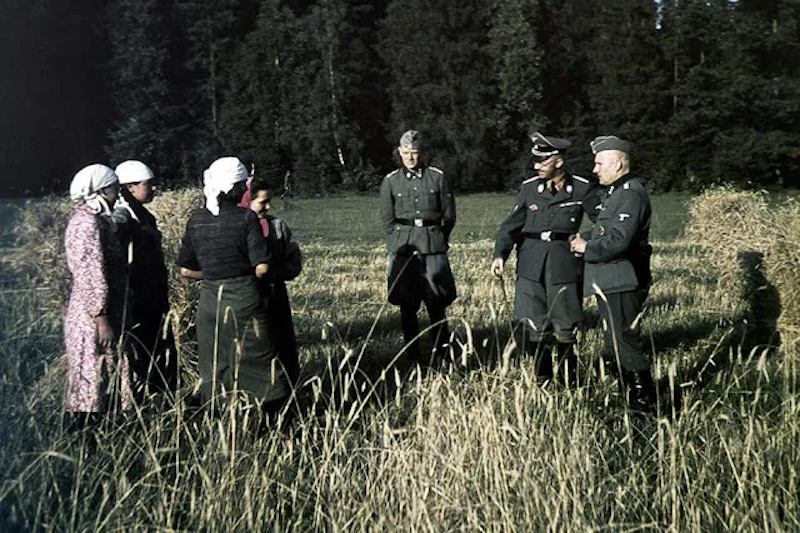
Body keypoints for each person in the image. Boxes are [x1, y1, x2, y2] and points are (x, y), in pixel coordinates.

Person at [177, 157, 289, 415]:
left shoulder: (197, 219)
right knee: (259, 362)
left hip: (209, 302)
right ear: (237, 188)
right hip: (244, 299)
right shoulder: (246, 218)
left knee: (217, 362)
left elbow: (185, 269)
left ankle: (221, 416)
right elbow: (261, 266)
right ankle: (267, 418)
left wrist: (214, 272)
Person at [491, 132, 599, 384]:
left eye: (543, 161)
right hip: (531, 263)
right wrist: (500, 254)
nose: (537, 166)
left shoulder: (582, 188)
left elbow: (603, 222)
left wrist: (584, 238)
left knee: (565, 325)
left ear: (559, 161)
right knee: (534, 324)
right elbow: (511, 226)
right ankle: (542, 378)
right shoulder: (529, 189)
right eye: (536, 161)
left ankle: (569, 381)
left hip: (564, 263)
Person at [570, 135, 656, 411]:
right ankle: (628, 398)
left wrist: (587, 247)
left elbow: (619, 240)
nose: (595, 170)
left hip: (624, 277)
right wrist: (586, 238)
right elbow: (604, 232)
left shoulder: (630, 193)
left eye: (599, 163)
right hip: (612, 278)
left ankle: (644, 405)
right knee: (615, 342)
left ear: (618, 164)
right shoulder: (617, 194)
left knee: (623, 341)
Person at [380, 130, 457, 367]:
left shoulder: (437, 178)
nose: (410, 158)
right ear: (399, 152)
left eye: (414, 153)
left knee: (437, 304)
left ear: (421, 153)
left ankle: (442, 356)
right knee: (407, 305)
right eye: (405, 153)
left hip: (432, 248)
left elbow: (449, 215)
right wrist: (398, 242)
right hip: (405, 250)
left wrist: (437, 238)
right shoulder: (391, 181)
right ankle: (412, 356)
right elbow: (387, 220)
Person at [64, 164, 131, 424]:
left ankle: (101, 432)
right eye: (114, 188)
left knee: (100, 373)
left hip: (97, 310)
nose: (117, 193)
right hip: (92, 315)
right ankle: (88, 438)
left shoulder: (93, 221)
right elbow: (90, 273)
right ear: (101, 190)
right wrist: (101, 319)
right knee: (92, 373)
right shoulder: (87, 224)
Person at [112, 160, 177, 396]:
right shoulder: (122, 217)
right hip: (140, 296)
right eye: (147, 184)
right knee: (145, 345)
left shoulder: (140, 214)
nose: (153, 189)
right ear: (130, 187)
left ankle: (160, 392)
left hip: (153, 293)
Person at [237, 159, 303, 386]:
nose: (267, 207)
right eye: (262, 202)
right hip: (247, 298)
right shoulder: (235, 230)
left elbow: (294, 260)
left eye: (268, 202)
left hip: (275, 296)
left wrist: (276, 273)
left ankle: (287, 391)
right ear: (247, 201)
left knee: (282, 345)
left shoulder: (277, 227)